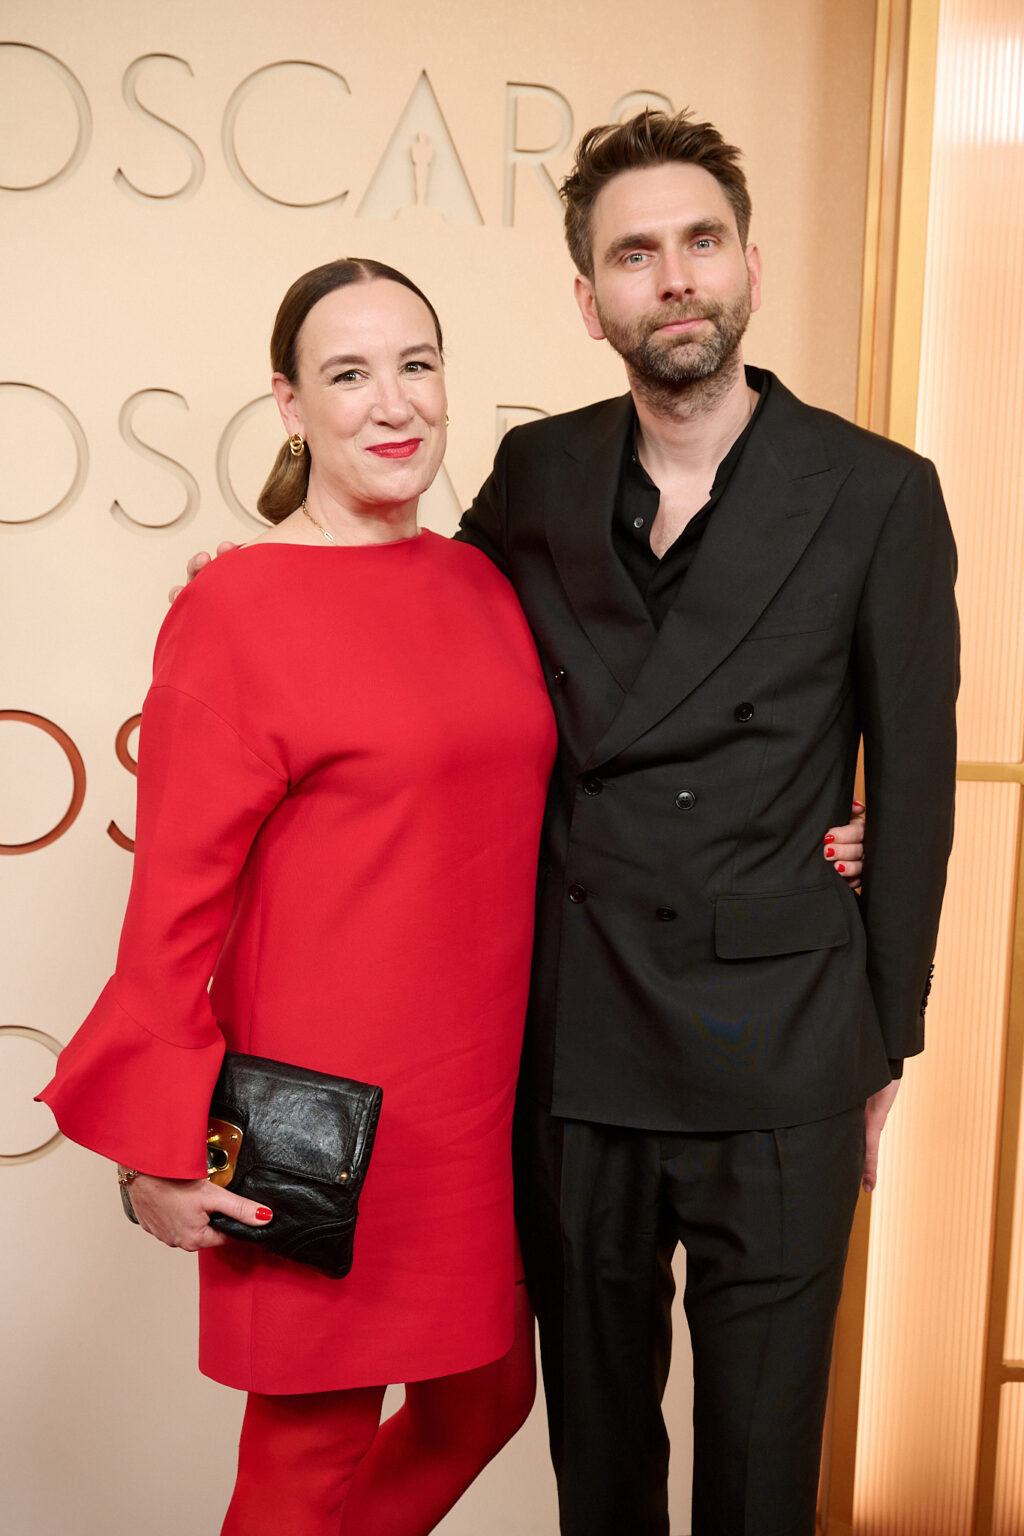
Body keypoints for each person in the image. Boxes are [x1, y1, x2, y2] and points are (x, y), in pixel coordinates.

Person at [454, 111, 959, 1536]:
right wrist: (275, 583)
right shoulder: (536, 473)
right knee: (599, 1473)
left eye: (700, 242)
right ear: (589, 299)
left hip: (786, 1051)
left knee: (760, 1478)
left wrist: (883, 1045)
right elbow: (435, 651)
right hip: (582, 1047)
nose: (673, 277)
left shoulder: (877, 491)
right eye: (635, 254)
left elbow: (916, 781)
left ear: (748, 267)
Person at [38, 258, 558, 1536]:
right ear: (289, 403)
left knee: (483, 1401)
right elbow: (173, 903)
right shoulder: (236, 603)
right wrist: (159, 1150)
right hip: (324, 1118)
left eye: (417, 365)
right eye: (349, 374)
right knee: (304, 1460)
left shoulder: (484, 582)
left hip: (476, 1102)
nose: (394, 402)